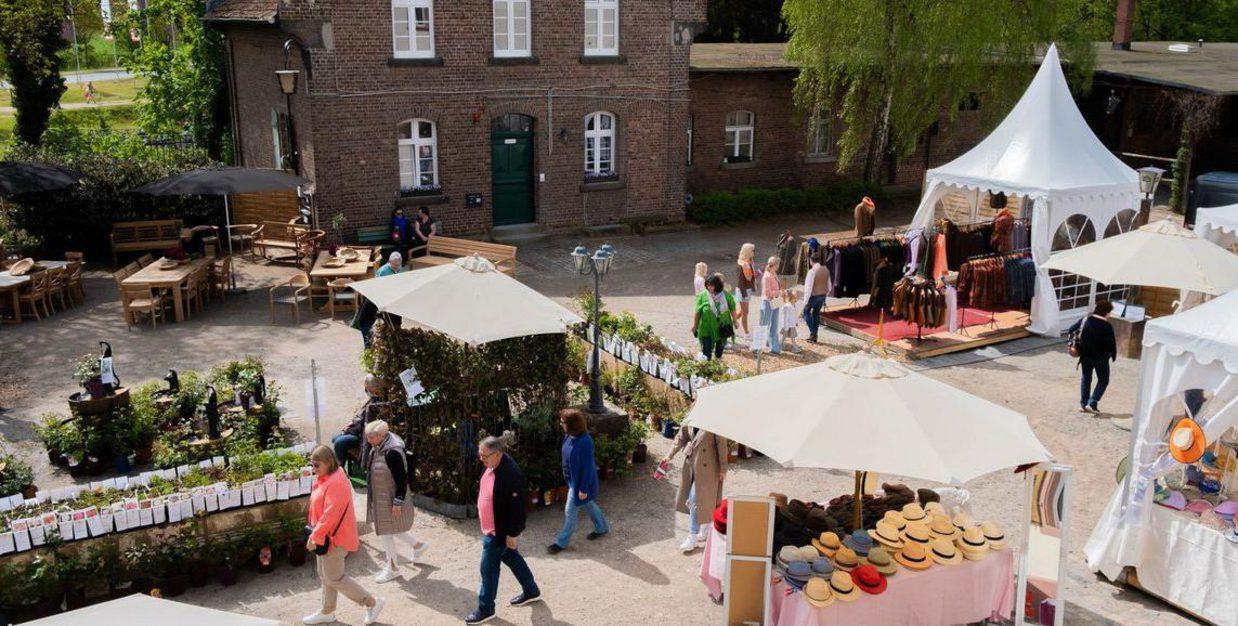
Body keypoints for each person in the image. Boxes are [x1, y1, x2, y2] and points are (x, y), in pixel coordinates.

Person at [303, 446, 385, 626]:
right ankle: (327, 611)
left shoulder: (335, 482)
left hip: (333, 538)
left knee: (334, 577)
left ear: (328, 462)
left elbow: (331, 514)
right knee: (325, 575)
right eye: (312, 465)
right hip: (326, 535)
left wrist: (315, 536)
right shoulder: (329, 476)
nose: (313, 469)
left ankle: (372, 602)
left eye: (316, 465)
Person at [467, 436, 541, 624]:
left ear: (498, 453)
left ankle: (486, 609)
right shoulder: (493, 464)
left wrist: (513, 534)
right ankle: (531, 590)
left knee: (488, 569)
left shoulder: (510, 473)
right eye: (480, 455)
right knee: (511, 557)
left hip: (499, 531)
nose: (481, 459)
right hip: (494, 528)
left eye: (485, 456)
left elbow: (518, 508)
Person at [364, 420, 429, 583]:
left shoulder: (391, 452)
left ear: (381, 435)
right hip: (384, 495)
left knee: (386, 531)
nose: (368, 441)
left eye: (371, 437)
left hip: (389, 496)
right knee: (390, 528)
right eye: (367, 437)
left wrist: (398, 501)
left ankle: (392, 568)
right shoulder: (383, 445)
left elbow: (401, 479)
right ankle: (418, 546)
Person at [548, 409, 609, 554]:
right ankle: (602, 527)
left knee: (570, 511)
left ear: (572, 424)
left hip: (580, 483)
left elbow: (588, 467)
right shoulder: (568, 436)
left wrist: (583, 489)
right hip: (571, 481)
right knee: (588, 504)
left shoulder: (585, 442)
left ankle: (561, 543)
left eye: (563, 422)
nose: (561, 424)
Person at [662, 425, 728, 553]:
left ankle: (692, 537)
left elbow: (722, 444)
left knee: (695, 499)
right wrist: (669, 455)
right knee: (702, 500)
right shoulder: (693, 414)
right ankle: (705, 529)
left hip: (708, 468)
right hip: (692, 465)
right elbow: (681, 437)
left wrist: (723, 468)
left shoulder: (714, 419)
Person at [1068, 300, 1117, 413]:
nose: (1110, 315)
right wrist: (1110, 355)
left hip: (1085, 355)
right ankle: (1093, 401)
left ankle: (1083, 404)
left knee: (1086, 379)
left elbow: (1071, 329)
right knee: (1103, 380)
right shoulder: (1107, 326)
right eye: (1110, 312)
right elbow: (1111, 345)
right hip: (1101, 359)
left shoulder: (1086, 319)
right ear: (1106, 312)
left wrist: (1072, 344)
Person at [332, 375, 389, 468]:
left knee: (339, 442)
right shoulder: (372, 400)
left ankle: (340, 469)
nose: (367, 390)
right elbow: (360, 418)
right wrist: (350, 424)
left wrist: (350, 428)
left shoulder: (378, 404)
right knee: (335, 438)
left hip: (361, 435)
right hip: (356, 430)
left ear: (375, 389)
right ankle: (349, 464)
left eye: (368, 388)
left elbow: (365, 423)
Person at [692, 273, 737, 360]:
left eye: (712, 286)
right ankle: (707, 367)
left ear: (717, 285)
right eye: (708, 285)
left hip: (721, 327)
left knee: (719, 352)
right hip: (706, 327)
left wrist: (735, 321)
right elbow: (697, 311)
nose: (709, 288)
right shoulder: (702, 295)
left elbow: (732, 308)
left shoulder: (726, 295)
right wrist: (695, 325)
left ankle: (717, 362)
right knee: (706, 353)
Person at [801, 251, 831, 343]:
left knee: (805, 312)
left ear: (811, 261)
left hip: (814, 296)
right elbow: (829, 285)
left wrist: (805, 302)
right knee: (816, 314)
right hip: (822, 295)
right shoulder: (826, 269)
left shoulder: (812, 271)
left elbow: (808, 288)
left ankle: (813, 333)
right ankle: (814, 335)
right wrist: (826, 295)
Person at [759, 256, 782, 354]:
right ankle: (757, 347)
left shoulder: (774, 273)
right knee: (764, 325)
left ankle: (775, 347)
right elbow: (767, 293)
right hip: (768, 302)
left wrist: (779, 293)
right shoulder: (767, 276)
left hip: (775, 301)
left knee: (774, 325)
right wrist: (779, 292)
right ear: (775, 265)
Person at [735, 243, 758, 338]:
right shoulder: (743, 264)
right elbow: (743, 279)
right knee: (745, 312)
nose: (754, 252)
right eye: (753, 250)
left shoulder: (749, 262)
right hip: (743, 290)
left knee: (742, 311)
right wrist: (744, 293)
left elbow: (751, 276)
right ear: (748, 252)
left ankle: (729, 323)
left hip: (746, 289)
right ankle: (747, 333)